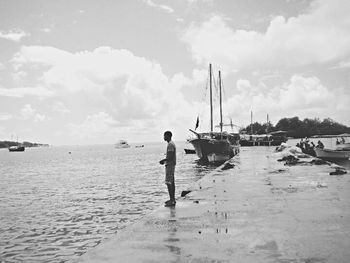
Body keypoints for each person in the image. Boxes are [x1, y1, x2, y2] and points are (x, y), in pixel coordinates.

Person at [159, 131, 176, 207]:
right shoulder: (171, 144)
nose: (164, 137)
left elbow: (170, 157)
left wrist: (163, 160)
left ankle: (172, 200)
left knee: (169, 182)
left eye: (164, 136)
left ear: (168, 136)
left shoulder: (170, 145)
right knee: (171, 182)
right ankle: (172, 199)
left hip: (170, 165)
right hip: (171, 165)